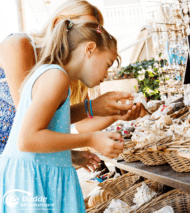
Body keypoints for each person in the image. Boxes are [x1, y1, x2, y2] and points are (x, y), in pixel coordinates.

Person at [0, 0, 147, 171]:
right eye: (87, 27)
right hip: (14, 161)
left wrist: (114, 113)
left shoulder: (69, 74)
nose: (92, 36)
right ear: (59, 23)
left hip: (31, 161)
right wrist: (81, 144)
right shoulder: (19, 45)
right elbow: (28, 125)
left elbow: (73, 125)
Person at [0, 19, 123, 212]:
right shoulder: (57, 78)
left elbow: (52, 120)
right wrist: (92, 138)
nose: (107, 74)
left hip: (34, 177)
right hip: (35, 182)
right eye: (107, 64)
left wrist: (93, 108)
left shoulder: (52, 74)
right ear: (89, 49)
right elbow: (27, 139)